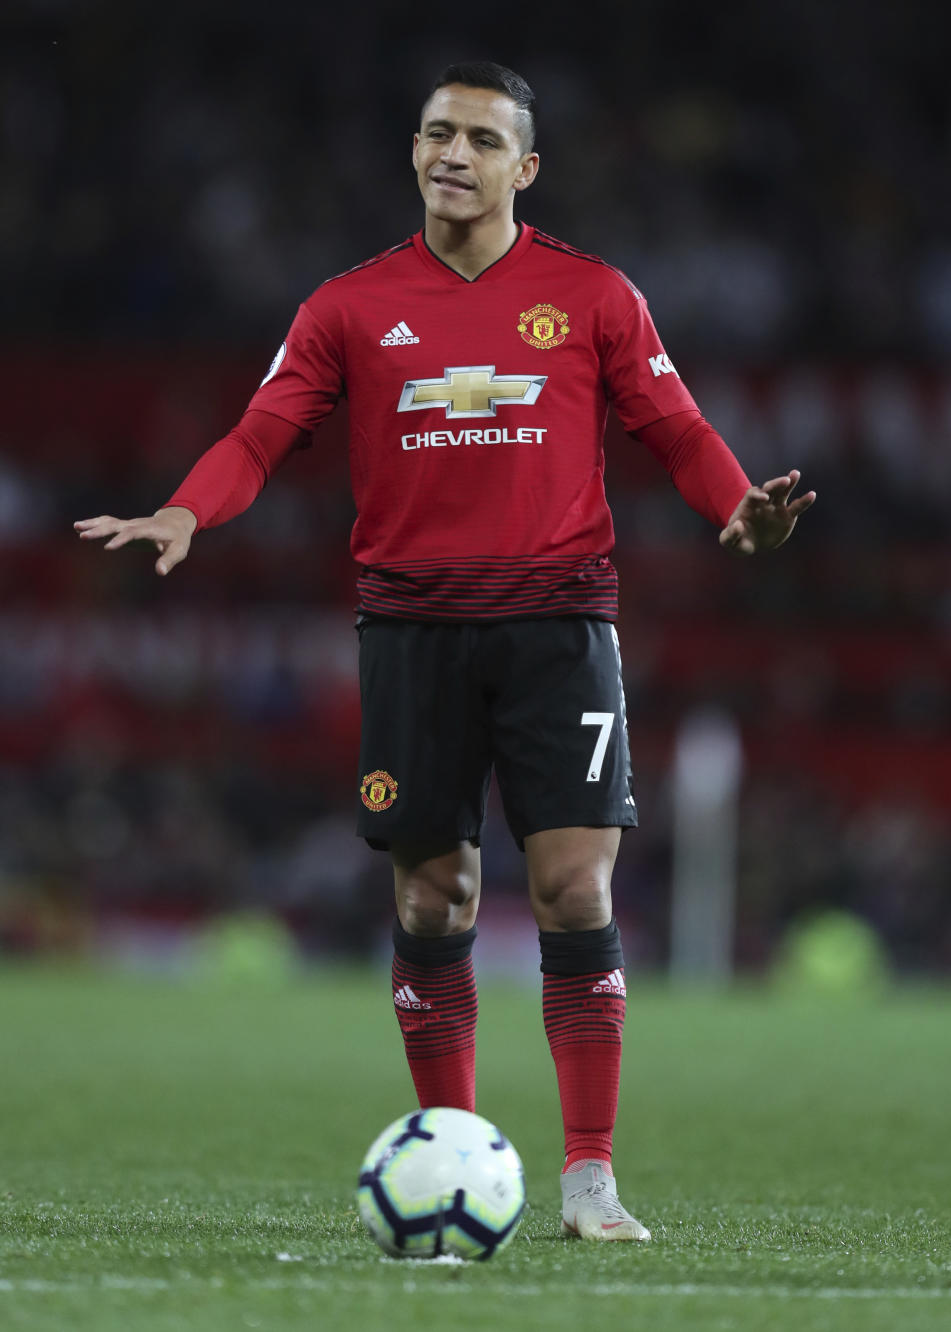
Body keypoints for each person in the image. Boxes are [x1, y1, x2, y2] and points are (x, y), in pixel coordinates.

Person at [75, 61, 815, 1243]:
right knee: (435, 895)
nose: (451, 154)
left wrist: (735, 506)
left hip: (560, 628)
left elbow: (674, 425)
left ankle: (588, 1185)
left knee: (575, 888)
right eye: (434, 133)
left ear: (524, 168)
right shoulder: (350, 307)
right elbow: (260, 431)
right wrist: (185, 510)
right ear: (414, 152)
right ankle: (452, 1158)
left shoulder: (592, 296)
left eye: (479, 138)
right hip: (412, 631)